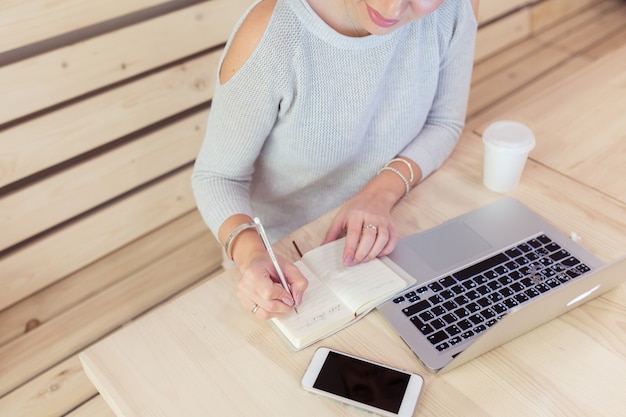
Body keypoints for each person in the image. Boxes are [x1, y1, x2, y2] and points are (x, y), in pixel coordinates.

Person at [191, 0, 479, 319]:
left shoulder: (452, 8)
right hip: (281, 263)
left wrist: (379, 193)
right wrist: (252, 254)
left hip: (391, 232)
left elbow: (443, 123)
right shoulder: (274, 32)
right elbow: (218, 177)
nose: (393, 9)